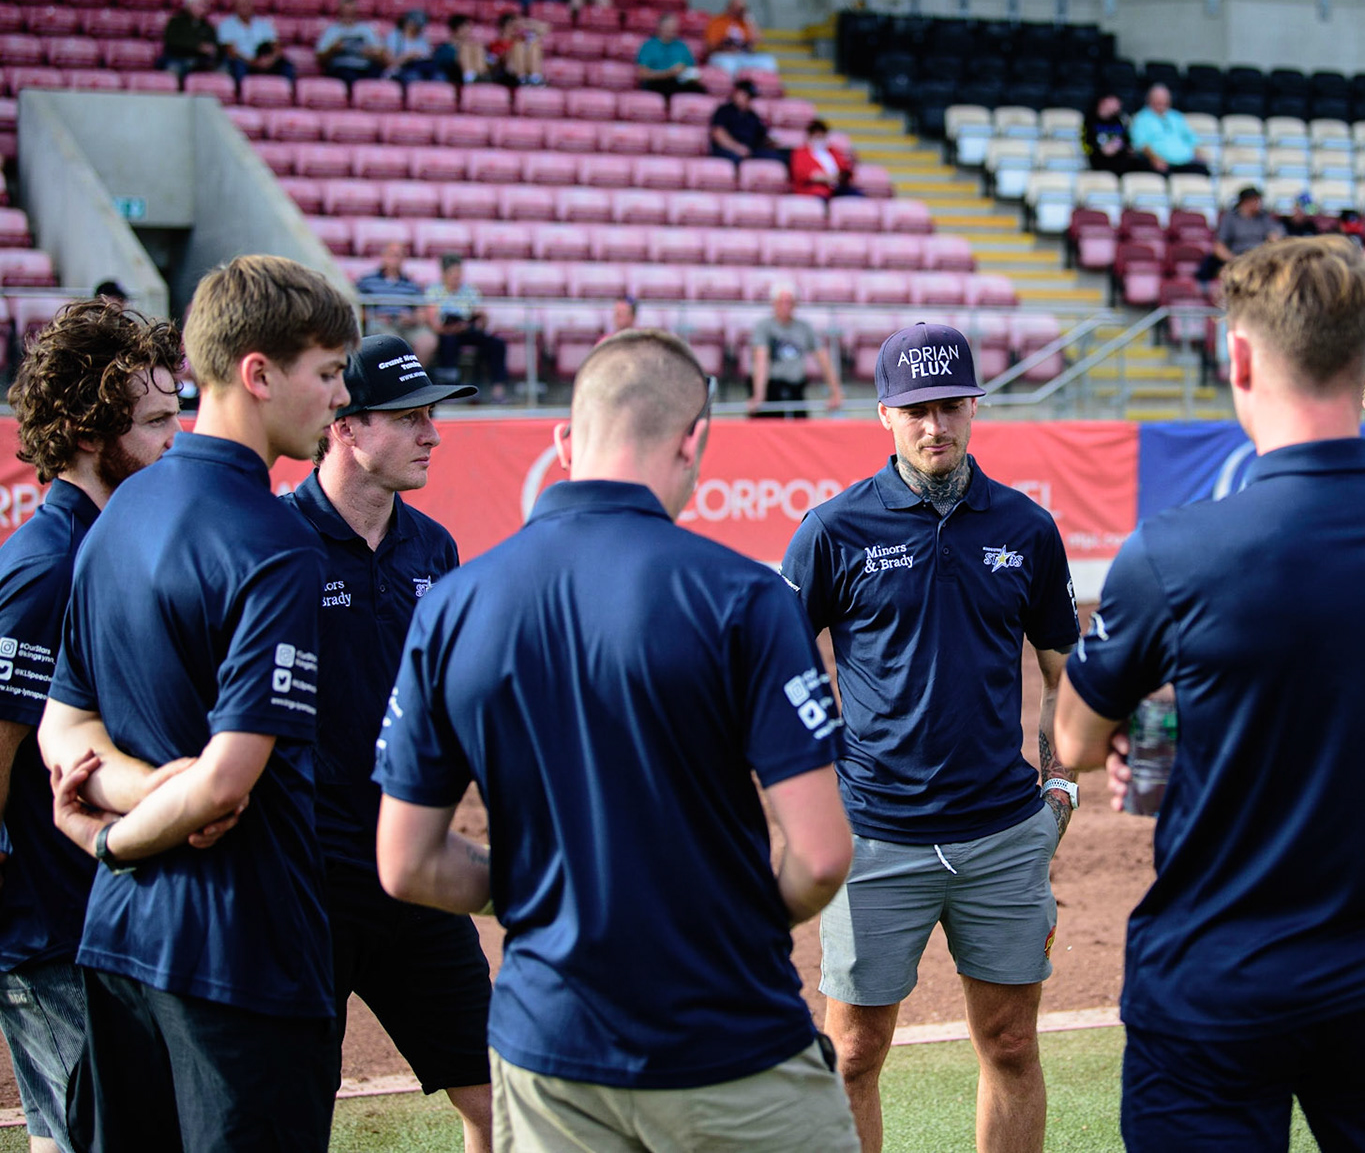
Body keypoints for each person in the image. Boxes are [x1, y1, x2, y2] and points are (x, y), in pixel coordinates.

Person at [1054, 237, 1365, 1148]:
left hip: (1216, 974)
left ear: (1239, 358)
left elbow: (1074, 740)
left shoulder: (1173, 552)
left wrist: (1162, 710)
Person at [374, 330, 859, 1152]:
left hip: (550, 1050)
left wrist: (542, 893)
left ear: (565, 441)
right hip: (730, 1037)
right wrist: (726, 918)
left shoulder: (453, 604)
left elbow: (408, 862)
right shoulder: (745, 597)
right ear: (694, 439)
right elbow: (818, 857)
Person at [38, 255, 359, 1152]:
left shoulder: (118, 513)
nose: (339, 397)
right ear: (258, 373)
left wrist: (130, 799)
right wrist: (116, 834)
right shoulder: (277, 543)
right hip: (240, 950)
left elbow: (66, 729)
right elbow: (223, 786)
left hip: (118, 943)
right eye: (327, 373)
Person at [781, 322, 1083, 1153]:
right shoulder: (832, 531)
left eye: (949, 404)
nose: (934, 425)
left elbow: (1066, 674)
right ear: (884, 414)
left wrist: (1061, 788)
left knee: (1012, 1044)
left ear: (974, 405)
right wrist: (812, 800)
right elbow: (774, 675)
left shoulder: (1025, 529)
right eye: (915, 409)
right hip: (876, 841)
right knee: (851, 1053)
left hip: (1000, 837)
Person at [282, 335, 491, 1153]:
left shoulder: (435, 549)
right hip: (306, 879)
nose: (432, 434)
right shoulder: (275, 542)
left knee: (501, 1097)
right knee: (293, 1118)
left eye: (432, 416)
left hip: (417, 869)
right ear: (345, 424)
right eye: (410, 418)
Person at [0, 299, 182, 1153]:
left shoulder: (105, 544)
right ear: (82, 431)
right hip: (49, 927)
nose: (171, 439)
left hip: (95, 911)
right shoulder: (47, 569)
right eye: (153, 422)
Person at [748, 280, 843, 418]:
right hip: (771, 389)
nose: (785, 306)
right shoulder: (764, 327)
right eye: (782, 302)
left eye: (789, 302)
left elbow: (823, 359)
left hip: (795, 388)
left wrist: (836, 392)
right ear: (774, 303)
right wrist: (759, 395)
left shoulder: (804, 328)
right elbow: (761, 361)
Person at [426, 254, 510, 404]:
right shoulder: (434, 291)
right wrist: (453, 327)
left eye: (459, 273)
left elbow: (482, 321)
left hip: (468, 331)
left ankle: (497, 390)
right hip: (447, 333)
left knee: (497, 344)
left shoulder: (469, 291)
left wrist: (480, 318)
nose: (457, 277)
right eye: (453, 273)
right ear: (444, 274)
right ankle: (449, 389)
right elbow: (435, 325)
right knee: (448, 342)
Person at [358, 241, 435, 361]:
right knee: (392, 341)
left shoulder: (411, 284)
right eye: (392, 255)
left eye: (398, 256)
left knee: (427, 341)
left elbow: (421, 311)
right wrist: (375, 317)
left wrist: (412, 319)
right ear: (383, 257)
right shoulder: (367, 281)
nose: (395, 259)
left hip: (406, 324)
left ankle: (414, 374)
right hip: (381, 323)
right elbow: (359, 308)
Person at [1199, 186, 1282, 282]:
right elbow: (1219, 246)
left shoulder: (1264, 217)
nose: (1259, 204)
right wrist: (1235, 260)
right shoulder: (1230, 218)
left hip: (1260, 259)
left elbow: (1274, 238)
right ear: (1245, 202)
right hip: (1237, 257)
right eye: (1255, 200)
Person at [1128, 84, 1209, 176]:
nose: (1161, 102)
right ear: (1150, 100)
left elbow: (1190, 139)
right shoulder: (1141, 119)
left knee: (1202, 171)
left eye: (1164, 99)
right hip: (1160, 164)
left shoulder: (1176, 116)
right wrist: (1154, 159)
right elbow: (1141, 144)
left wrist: (1199, 153)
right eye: (1158, 99)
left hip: (1185, 162)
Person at [216, 0, 293, 86]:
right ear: (235, 6)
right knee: (237, 65)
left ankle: (289, 94)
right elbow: (231, 52)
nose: (244, 7)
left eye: (247, 3)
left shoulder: (263, 24)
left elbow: (276, 47)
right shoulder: (227, 25)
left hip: (265, 61)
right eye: (241, 4)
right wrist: (254, 63)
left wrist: (270, 60)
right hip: (244, 62)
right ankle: (241, 96)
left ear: (252, 5)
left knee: (286, 65)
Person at [317, 0, 388, 87]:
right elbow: (320, 58)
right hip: (342, 68)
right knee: (348, 76)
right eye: (345, 12)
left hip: (364, 67)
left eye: (351, 12)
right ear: (340, 12)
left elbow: (381, 54)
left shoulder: (366, 30)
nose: (348, 14)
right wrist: (332, 50)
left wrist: (372, 53)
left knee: (377, 74)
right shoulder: (331, 31)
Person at [712, 79, 785, 165]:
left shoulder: (752, 115)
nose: (749, 100)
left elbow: (762, 135)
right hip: (728, 150)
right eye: (747, 96)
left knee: (776, 157)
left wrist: (771, 141)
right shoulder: (724, 111)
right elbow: (718, 134)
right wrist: (736, 148)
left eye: (751, 97)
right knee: (736, 159)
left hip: (749, 151)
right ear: (737, 93)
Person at [157, 0, 219, 81]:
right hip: (177, 59)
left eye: (205, 4)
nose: (204, 7)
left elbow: (213, 46)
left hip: (199, 63)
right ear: (189, 4)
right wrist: (198, 46)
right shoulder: (176, 22)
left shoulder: (208, 27)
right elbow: (172, 41)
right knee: (173, 70)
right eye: (200, 4)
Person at [706, 0, 777, 76]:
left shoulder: (745, 23)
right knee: (728, 65)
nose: (740, 10)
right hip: (724, 56)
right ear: (730, 7)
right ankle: (729, 88)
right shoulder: (717, 21)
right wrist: (725, 46)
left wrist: (750, 19)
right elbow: (710, 46)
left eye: (743, 8)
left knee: (768, 61)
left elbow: (757, 40)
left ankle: (761, 87)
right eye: (738, 7)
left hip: (743, 56)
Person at [637, 12, 703, 98]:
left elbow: (692, 69)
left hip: (679, 82)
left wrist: (688, 73)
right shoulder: (648, 46)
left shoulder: (681, 46)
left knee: (700, 90)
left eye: (674, 27)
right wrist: (669, 73)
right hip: (657, 83)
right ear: (660, 27)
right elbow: (642, 74)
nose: (672, 30)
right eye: (668, 27)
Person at [792, 121, 860, 199]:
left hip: (837, 187)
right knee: (821, 194)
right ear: (810, 137)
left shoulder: (833, 151)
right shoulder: (801, 153)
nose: (820, 140)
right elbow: (802, 174)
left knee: (856, 195)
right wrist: (826, 177)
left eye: (822, 136)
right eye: (817, 137)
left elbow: (844, 169)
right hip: (814, 189)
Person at [1082, 94, 1138, 175]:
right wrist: (1101, 150)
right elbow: (1086, 145)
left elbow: (1127, 142)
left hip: (1120, 159)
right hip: (1098, 160)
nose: (1118, 104)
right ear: (1104, 101)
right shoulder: (1090, 120)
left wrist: (1119, 146)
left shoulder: (1120, 120)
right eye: (1114, 101)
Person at [488, 11, 546, 87]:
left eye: (515, 26)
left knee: (534, 46)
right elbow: (493, 63)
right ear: (504, 26)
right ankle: (522, 78)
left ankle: (535, 78)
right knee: (518, 46)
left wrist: (526, 23)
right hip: (506, 73)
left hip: (524, 69)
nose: (514, 29)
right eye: (511, 25)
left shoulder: (518, 39)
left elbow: (545, 28)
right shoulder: (496, 44)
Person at [433, 14, 493, 86]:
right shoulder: (444, 48)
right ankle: (469, 78)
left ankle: (482, 78)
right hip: (454, 74)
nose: (468, 31)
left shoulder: (473, 47)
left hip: (475, 71)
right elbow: (442, 63)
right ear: (456, 29)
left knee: (477, 47)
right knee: (465, 49)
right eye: (465, 28)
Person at [386, 10, 439, 85]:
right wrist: (408, 56)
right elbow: (390, 62)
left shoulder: (423, 39)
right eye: (416, 24)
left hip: (421, 68)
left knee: (438, 77)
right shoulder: (395, 37)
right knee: (414, 77)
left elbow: (428, 56)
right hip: (402, 70)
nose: (419, 28)